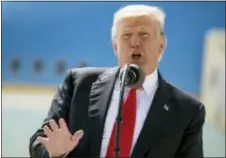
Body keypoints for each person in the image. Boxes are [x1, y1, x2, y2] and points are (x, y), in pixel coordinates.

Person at [29, 4, 206, 158]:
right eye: (126, 36)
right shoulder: (78, 85)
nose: (135, 43)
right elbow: (39, 143)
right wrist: (55, 154)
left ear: (162, 44)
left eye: (144, 34)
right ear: (115, 45)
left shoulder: (187, 110)